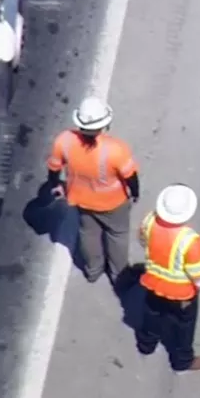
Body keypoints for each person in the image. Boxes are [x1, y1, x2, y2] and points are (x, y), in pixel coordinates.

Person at [45, 96, 140, 285]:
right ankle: (119, 275)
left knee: (88, 233)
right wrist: (135, 193)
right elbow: (130, 177)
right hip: (114, 203)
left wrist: (55, 184)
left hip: (81, 200)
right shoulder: (116, 149)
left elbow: (54, 168)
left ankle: (93, 270)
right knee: (117, 235)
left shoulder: (64, 141)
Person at [135, 184, 200, 373]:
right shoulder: (190, 240)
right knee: (183, 328)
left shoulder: (149, 221)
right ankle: (182, 361)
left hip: (153, 283)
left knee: (152, 315)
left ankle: (146, 345)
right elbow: (198, 272)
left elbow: (143, 240)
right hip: (182, 294)